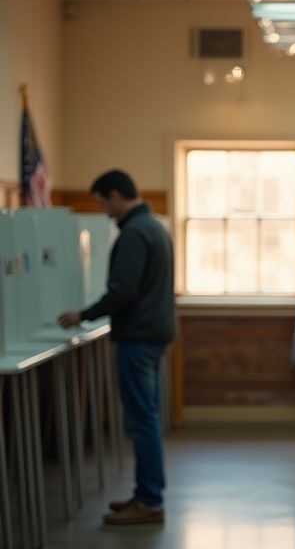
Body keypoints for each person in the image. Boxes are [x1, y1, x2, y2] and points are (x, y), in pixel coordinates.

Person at [58, 169, 176, 526]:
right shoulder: (154, 226)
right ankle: (145, 496)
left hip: (138, 337)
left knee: (142, 420)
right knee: (146, 417)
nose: (103, 209)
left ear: (115, 195)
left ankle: (150, 501)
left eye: (102, 202)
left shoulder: (135, 233)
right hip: (153, 333)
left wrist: (84, 314)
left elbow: (122, 291)